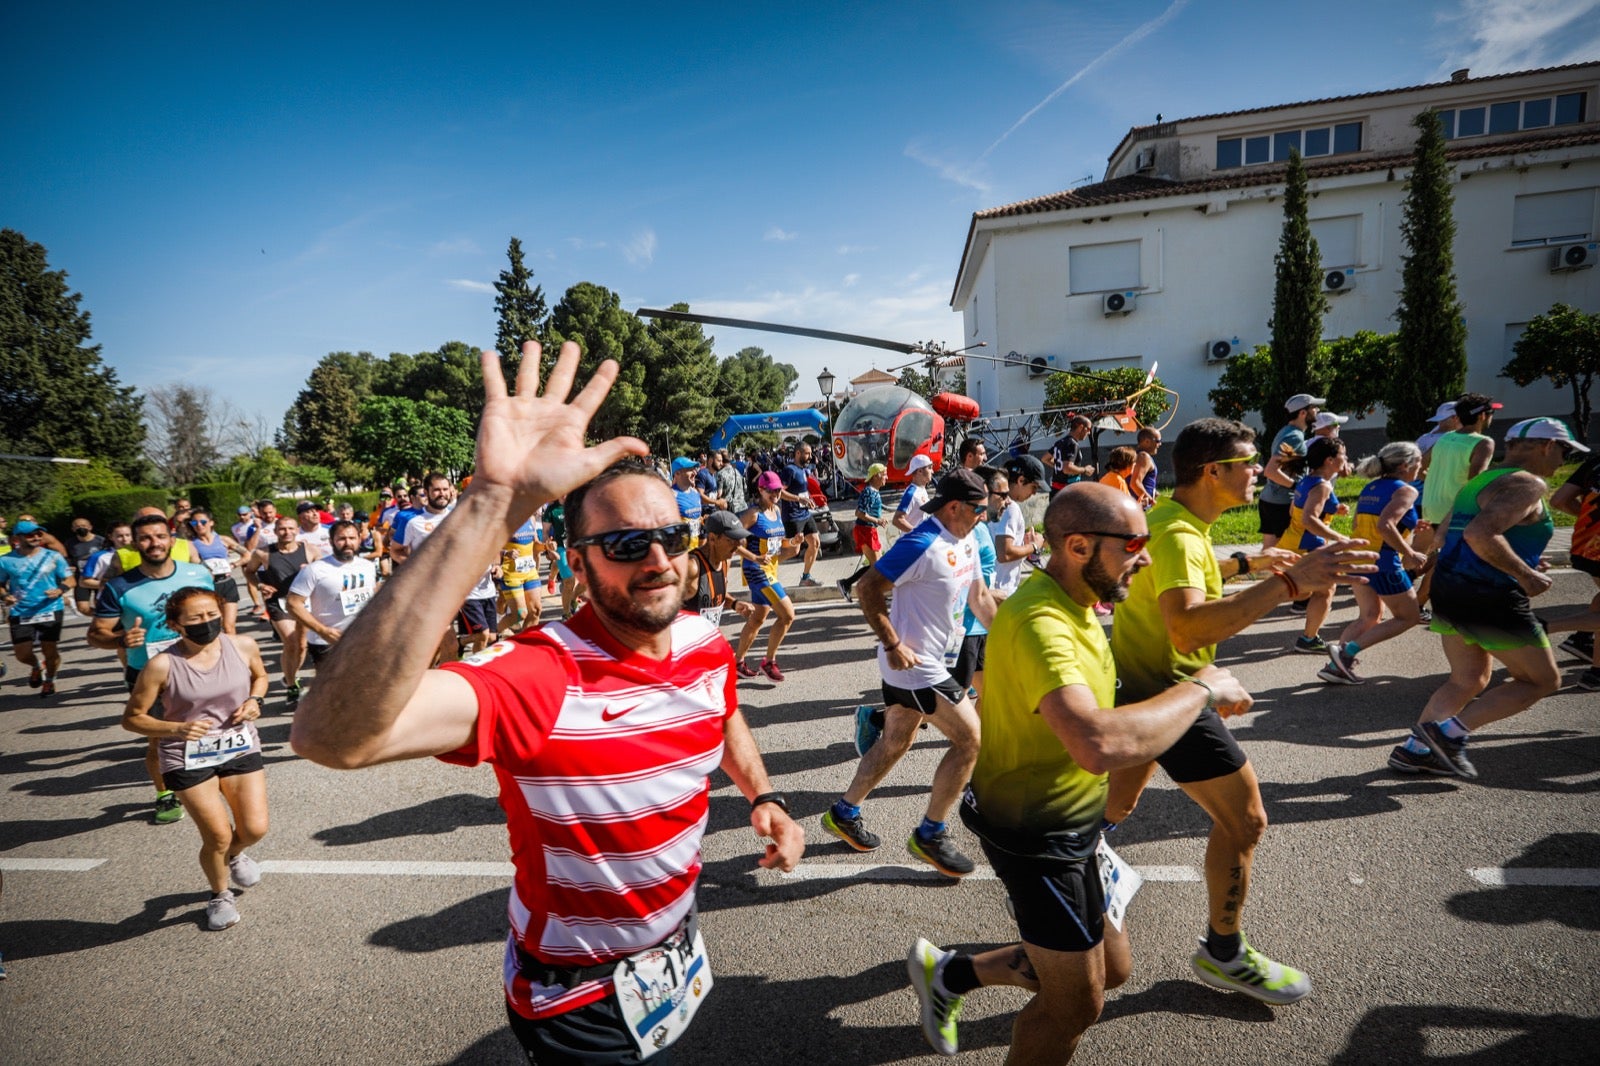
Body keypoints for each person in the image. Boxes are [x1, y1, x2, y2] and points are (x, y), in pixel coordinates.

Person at [291, 340, 802, 1064]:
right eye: (625, 543)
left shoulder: (701, 641)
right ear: (579, 561)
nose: (657, 561)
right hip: (578, 996)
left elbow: (722, 715)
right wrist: (492, 503)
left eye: (671, 537)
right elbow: (331, 735)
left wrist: (764, 796)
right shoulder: (540, 672)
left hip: (675, 955)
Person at [904, 482, 1254, 1061]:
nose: (1146, 556)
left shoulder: (1078, 601)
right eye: (1136, 544)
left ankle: (951, 974)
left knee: (1113, 970)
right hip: (1035, 837)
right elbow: (1096, 741)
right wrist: (1201, 689)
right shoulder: (1045, 623)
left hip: (1076, 826)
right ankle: (952, 978)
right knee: (1076, 1005)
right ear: (1078, 546)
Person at [1107, 418, 1376, 1005]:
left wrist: (1250, 567)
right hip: (1174, 694)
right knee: (1247, 821)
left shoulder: (1174, 523)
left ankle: (1054, 870)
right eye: (1250, 463)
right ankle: (1223, 953)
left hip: (1141, 689)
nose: (1261, 472)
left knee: (1114, 807)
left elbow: (1182, 584)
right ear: (1213, 472)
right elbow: (1186, 629)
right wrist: (1288, 585)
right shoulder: (1178, 534)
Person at [821, 468, 998, 878]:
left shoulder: (966, 538)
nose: (984, 516)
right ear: (955, 506)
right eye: (979, 508)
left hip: (932, 661)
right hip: (916, 666)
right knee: (971, 739)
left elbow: (981, 598)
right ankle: (930, 834)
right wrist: (892, 643)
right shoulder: (922, 542)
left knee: (896, 741)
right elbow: (868, 587)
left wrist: (1010, 635)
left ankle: (845, 812)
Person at [1390, 418, 1582, 778]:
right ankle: (1446, 735)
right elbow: (1481, 534)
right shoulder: (1528, 483)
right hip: (1489, 595)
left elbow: (1445, 536)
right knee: (1541, 680)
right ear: (1545, 446)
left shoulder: (1478, 481)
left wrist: (1519, 554)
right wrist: (1526, 574)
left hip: (1450, 587)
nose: (1562, 461)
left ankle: (1416, 751)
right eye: (1564, 450)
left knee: (1468, 679)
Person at [121, 586, 270, 930]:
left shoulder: (242, 645)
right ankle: (219, 895)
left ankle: (235, 854)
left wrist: (255, 701)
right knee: (217, 836)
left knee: (254, 828)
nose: (207, 622)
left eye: (212, 615)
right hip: (186, 755)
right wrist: (175, 729)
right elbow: (132, 718)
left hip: (238, 744)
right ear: (176, 625)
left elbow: (260, 676)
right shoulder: (162, 665)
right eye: (196, 618)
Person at [88, 513, 217, 824]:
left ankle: (215, 776)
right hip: (150, 675)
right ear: (135, 543)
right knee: (159, 739)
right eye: (145, 538)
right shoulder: (119, 586)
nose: (154, 543)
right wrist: (120, 638)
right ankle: (164, 794)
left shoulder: (199, 573)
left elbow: (215, 616)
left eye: (160, 536)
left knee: (216, 728)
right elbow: (95, 634)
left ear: (172, 540)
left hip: (203, 666)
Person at [1321, 443, 1429, 684]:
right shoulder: (1406, 490)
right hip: (1385, 562)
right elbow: (1384, 525)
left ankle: (1336, 666)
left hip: (1359, 558)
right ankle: (1346, 653)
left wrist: (1411, 524)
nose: (1422, 468)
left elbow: (1363, 524)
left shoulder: (1372, 486)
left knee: (1369, 616)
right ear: (1404, 465)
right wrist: (1410, 552)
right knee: (1409, 617)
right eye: (1419, 462)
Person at [1277, 436, 1351, 654]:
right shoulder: (1322, 486)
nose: (1346, 459)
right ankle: (1308, 639)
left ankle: (1309, 636)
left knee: (1303, 589)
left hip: (1292, 541)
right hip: (1309, 546)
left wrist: (1332, 509)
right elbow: (1309, 519)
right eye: (1342, 455)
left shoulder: (1307, 481)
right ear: (1329, 460)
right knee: (1325, 591)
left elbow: (1295, 511)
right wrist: (1340, 538)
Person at [732, 471, 799, 681]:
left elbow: (778, 549)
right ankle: (768, 662)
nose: (776, 494)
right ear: (760, 490)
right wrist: (754, 557)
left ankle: (738, 663)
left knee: (757, 619)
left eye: (779, 489)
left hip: (771, 570)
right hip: (757, 572)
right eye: (771, 490)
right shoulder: (753, 514)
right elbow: (731, 539)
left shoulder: (777, 512)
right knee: (788, 615)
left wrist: (793, 544)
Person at [245, 515, 318, 707]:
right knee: (291, 641)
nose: (287, 532)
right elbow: (249, 571)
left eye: (291, 528)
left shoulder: (310, 550)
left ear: (297, 530)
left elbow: (323, 574)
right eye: (282, 529)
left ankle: (288, 678)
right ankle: (292, 684)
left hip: (304, 602)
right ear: (276, 531)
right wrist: (260, 586)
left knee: (301, 646)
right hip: (279, 602)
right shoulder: (263, 553)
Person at [287, 520, 378, 671]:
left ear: (359, 539)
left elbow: (372, 595)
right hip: (328, 641)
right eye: (342, 539)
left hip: (363, 637)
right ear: (331, 542)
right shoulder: (315, 570)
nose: (347, 543)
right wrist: (323, 631)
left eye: (352, 538)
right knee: (330, 690)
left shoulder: (367, 566)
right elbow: (293, 604)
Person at [0, 519, 74, 696]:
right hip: (21, 610)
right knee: (22, 654)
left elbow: (70, 579)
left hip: (50, 608)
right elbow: (0, 584)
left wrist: (60, 590)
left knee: (50, 650)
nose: (35, 537)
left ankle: (50, 679)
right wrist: (4, 596)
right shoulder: (6, 561)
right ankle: (35, 665)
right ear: (18, 537)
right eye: (30, 534)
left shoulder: (53, 556)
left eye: (39, 534)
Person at [1547, 447, 1600, 690]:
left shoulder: (1596, 462)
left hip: (1586, 545)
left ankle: (1583, 643)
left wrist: (1587, 518)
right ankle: (1542, 627)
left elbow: (1559, 500)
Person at [682, 510, 755, 629]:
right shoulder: (691, 567)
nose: (737, 546)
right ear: (712, 539)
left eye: (739, 540)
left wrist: (734, 604)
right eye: (731, 540)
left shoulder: (725, 562)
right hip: (687, 643)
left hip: (708, 640)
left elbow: (714, 595)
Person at [186, 509, 248, 635]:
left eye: (203, 522)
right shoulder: (190, 544)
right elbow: (193, 563)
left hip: (227, 583)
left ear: (211, 523)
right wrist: (204, 570)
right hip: (207, 586)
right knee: (215, 626)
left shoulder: (223, 539)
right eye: (194, 523)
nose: (199, 525)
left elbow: (247, 554)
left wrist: (234, 564)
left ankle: (233, 653)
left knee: (229, 626)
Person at [836, 463, 889, 603]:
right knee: (878, 566)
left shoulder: (873, 492)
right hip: (865, 530)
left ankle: (847, 584)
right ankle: (868, 592)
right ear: (876, 476)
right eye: (884, 474)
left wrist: (878, 520)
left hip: (869, 529)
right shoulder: (869, 492)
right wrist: (877, 521)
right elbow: (859, 513)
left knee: (876, 565)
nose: (887, 478)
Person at [778, 441, 823, 588]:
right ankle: (765, 564)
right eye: (807, 453)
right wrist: (799, 499)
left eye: (810, 453)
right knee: (793, 550)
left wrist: (808, 500)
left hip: (805, 514)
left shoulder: (803, 470)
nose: (810, 456)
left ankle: (806, 577)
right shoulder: (788, 470)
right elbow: (780, 493)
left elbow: (801, 491)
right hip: (792, 516)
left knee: (815, 542)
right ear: (798, 453)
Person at [498, 513, 545, 635]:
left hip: (529, 571)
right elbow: (489, 547)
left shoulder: (531, 518)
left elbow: (536, 546)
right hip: (510, 572)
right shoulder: (503, 519)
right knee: (520, 614)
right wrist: (505, 553)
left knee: (536, 611)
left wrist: (546, 546)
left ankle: (526, 644)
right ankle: (495, 633)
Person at [65, 517, 106, 618]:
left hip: (98, 577)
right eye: (77, 526)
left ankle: (105, 619)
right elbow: (68, 558)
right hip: (82, 577)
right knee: (82, 608)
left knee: (101, 604)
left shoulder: (100, 541)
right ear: (73, 529)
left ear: (90, 527)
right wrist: (70, 566)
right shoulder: (70, 543)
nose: (81, 528)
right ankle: (101, 617)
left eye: (84, 526)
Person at [1050, 415, 1095, 494]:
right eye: (1088, 429)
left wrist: (1059, 466)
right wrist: (1085, 470)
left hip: (1056, 490)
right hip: (1067, 491)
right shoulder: (1072, 444)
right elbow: (1067, 468)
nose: (1089, 433)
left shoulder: (1060, 442)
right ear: (1081, 427)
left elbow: (1045, 458)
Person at [892, 453, 935, 533]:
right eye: (929, 468)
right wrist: (918, 534)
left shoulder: (922, 489)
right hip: (911, 543)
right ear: (920, 471)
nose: (932, 471)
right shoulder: (911, 493)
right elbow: (897, 519)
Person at [670, 458, 706, 543]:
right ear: (677, 473)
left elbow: (697, 520)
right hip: (681, 551)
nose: (695, 473)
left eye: (694, 469)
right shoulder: (670, 495)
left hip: (696, 549)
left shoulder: (695, 493)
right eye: (690, 469)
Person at [1133, 427, 1162, 504]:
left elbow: (1146, 484)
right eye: (1158, 441)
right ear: (1147, 441)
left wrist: (1157, 495)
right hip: (1143, 508)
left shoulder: (1137, 455)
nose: (1160, 444)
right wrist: (1151, 501)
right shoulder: (1143, 457)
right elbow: (1135, 483)